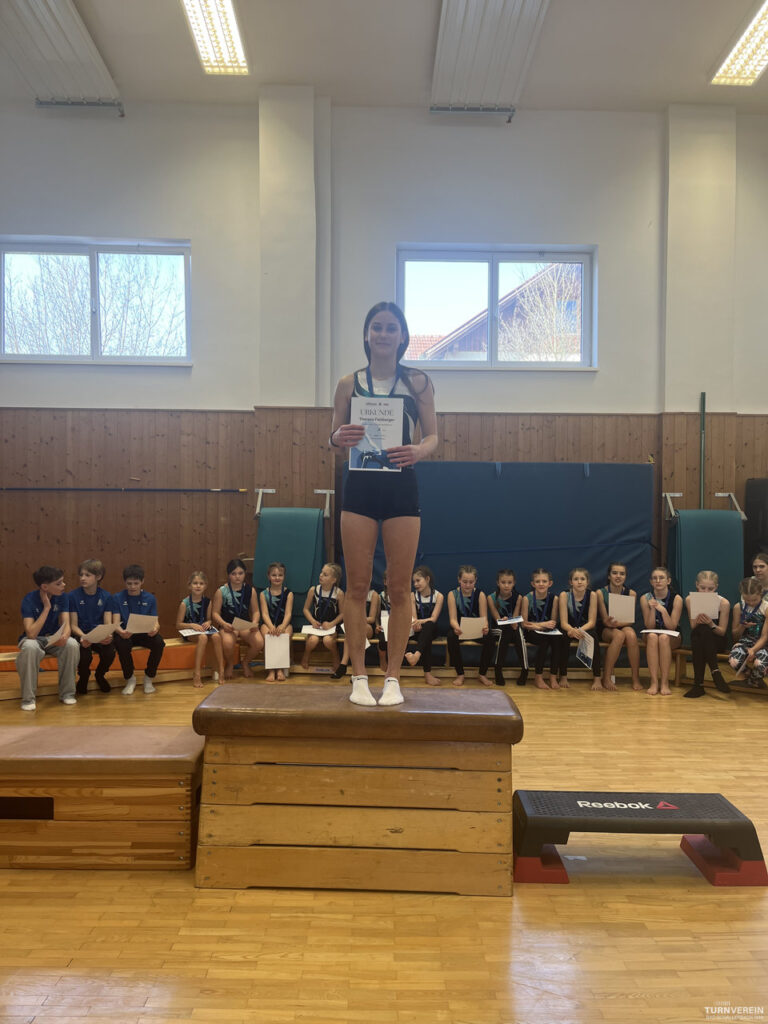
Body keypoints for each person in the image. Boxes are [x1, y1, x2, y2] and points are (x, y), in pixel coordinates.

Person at [329, 301, 437, 707]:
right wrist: (337, 438)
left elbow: (433, 436)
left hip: (400, 488)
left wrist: (418, 450)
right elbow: (333, 438)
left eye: (392, 328)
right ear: (366, 334)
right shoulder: (348, 383)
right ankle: (359, 676)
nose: (384, 334)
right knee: (357, 585)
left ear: (403, 336)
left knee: (398, 586)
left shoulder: (418, 382)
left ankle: (393, 677)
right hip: (360, 487)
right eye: (377, 327)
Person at [17, 565, 79, 711]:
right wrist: (46, 608)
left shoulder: (63, 597)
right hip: (34, 640)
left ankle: (67, 694)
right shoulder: (29, 599)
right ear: (45, 587)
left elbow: (66, 624)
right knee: (30, 647)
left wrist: (64, 636)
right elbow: (31, 634)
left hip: (53, 639)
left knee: (72, 644)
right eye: (59, 583)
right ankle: (28, 699)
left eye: (62, 581)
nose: (63, 585)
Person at [113, 564, 166, 695]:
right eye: (129, 583)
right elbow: (115, 622)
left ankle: (149, 677)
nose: (132, 587)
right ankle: (130, 678)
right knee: (121, 644)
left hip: (144, 633)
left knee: (159, 643)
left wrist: (155, 629)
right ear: (124, 582)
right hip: (125, 633)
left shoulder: (150, 598)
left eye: (136, 583)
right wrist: (120, 632)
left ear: (142, 581)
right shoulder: (117, 598)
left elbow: (155, 621)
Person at [68, 558, 116, 695]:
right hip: (81, 634)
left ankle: (100, 675)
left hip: (98, 634)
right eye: (81, 575)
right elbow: (73, 625)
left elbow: (108, 623)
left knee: (110, 652)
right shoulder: (72, 596)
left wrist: (108, 635)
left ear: (98, 577)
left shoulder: (106, 596)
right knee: (84, 656)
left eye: (87, 575)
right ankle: (83, 678)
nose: (82, 578)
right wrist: (84, 637)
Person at [211, 558, 263, 679]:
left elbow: (256, 611)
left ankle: (245, 662)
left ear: (245, 573)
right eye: (233, 574)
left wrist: (254, 623)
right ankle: (230, 664)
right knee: (228, 643)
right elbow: (215, 613)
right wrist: (224, 624)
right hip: (228, 625)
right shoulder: (221, 591)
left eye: (240, 573)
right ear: (228, 575)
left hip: (244, 624)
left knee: (259, 642)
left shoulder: (250, 591)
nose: (237, 577)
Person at [683, 570, 731, 698]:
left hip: (717, 640)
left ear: (716, 587)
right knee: (700, 632)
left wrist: (711, 623)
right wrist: (700, 620)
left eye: (710, 589)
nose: (706, 592)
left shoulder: (723, 603)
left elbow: (722, 632)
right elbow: (693, 626)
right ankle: (715, 672)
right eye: (702, 588)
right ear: (696, 585)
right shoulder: (690, 599)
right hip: (700, 639)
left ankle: (698, 685)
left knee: (703, 632)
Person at [446, 565, 494, 688]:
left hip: (476, 630)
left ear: (475, 581)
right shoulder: (452, 594)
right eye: (465, 582)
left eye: (471, 582)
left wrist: (485, 627)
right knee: (451, 637)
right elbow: (452, 619)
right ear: (459, 580)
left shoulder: (480, 594)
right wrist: (456, 628)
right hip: (460, 630)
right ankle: (460, 674)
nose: (468, 585)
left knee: (490, 637)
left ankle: (482, 674)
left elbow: (484, 618)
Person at [596, 561, 641, 691]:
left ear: (625, 576)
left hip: (622, 624)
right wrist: (610, 623)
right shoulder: (600, 593)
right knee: (619, 635)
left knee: (631, 635)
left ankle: (635, 678)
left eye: (622, 574)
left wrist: (619, 623)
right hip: (606, 628)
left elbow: (630, 621)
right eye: (615, 573)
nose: (618, 576)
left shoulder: (631, 593)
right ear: (609, 576)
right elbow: (604, 619)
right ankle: (606, 677)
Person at [175, 570, 224, 688]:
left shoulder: (207, 602)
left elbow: (209, 619)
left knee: (217, 637)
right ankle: (197, 673)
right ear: (189, 585)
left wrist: (208, 622)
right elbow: (178, 624)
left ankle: (221, 669)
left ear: (205, 586)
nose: (198, 586)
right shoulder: (185, 603)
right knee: (203, 638)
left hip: (203, 629)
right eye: (195, 583)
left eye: (201, 583)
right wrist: (192, 625)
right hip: (190, 631)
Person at [639, 566, 683, 696]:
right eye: (655, 578)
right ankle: (654, 681)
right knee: (652, 636)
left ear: (668, 581)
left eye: (661, 578)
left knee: (663, 638)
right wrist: (653, 609)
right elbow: (649, 626)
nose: (658, 581)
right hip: (652, 633)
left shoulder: (677, 598)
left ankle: (664, 682)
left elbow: (672, 627)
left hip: (671, 634)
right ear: (651, 582)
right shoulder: (645, 598)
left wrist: (662, 610)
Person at [558, 567, 602, 690]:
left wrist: (580, 630)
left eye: (582, 579)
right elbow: (563, 622)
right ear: (571, 582)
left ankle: (597, 677)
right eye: (576, 579)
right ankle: (563, 675)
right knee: (562, 638)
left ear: (587, 582)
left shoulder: (592, 595)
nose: (579, 582)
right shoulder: (564, 595)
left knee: (594, 637)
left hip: (585, 628)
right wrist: (571, 630)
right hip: (569, 628)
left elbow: (592, 621)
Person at [521, 568, 563, 690]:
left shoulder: (554, 599)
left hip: (547, 630)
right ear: (533, 584)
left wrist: (538, 625)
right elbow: (524, 624)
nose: (541, 584)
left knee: (558, 640)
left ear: (550, 583)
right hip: (531, 632)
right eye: (537, 581)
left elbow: (553, 623)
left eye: (544, 581)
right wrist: (541, 625)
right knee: (543, 641)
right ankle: (538, 676)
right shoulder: (527, 598)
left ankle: (553, 676)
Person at [486, 568, 527, 687]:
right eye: (503, 582)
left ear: (514, 583)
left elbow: (515, 618)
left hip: (511, 629)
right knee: (507, 631)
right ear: (498, 583)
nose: (506, 585)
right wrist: (503, 621)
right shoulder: (491, 598)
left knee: (517, 630)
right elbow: (496, 619)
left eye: (509, 582)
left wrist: (513, 622)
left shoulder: (518, 597)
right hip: (497, 629)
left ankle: (525, 669)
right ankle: (498, 668)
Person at [300, 563, 344, 672]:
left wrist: (331, 624)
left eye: (325, 574)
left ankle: (335, 656)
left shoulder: (338, 593)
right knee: (312, 641)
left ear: (333, 580)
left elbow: (343, 614)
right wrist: (312, 621)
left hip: (331, 627)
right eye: (321, 572)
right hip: (316, 625)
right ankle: (306, 655)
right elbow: (305, 609)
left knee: (328, 641)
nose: (321, 575)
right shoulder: (313, 590)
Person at [404, 565, 443, 687]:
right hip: (417, 628)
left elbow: (433, 618)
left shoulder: (438, 596)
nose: (415, 584)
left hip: (431, 629)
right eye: (413, 582)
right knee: (421, 636)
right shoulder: (412, 596)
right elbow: (414, 617)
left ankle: (416, 656)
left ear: (427, 579)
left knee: (429, 627)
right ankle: (427, 674)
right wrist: (416, 623)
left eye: (418, 580)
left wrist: (419, 622)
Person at [729, 576, 768, 688]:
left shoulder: (766, 608)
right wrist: (742, 626)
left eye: (754, 600)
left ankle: (753, 681)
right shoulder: (738, 607)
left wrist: (753, 650)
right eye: (747, 600)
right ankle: (752, 677)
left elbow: (765, 636)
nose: (751, 603)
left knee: (759, 662)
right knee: (734, 660)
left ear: (761, 594)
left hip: (763, 644)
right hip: (745, 642)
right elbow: (735, 635)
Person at [259, 562, 294, 682]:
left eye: (280, 575)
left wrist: (283, 626)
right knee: (267, 635)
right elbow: (264, 614)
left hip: (284, 623)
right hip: (268, 623)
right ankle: (271, 670)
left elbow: (288, 613)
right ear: (268, 576)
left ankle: (279, 669)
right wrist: (271, 626)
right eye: (274, 575)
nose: (277, 578)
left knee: (285, 635)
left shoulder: (289, 593)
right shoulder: (263, 594)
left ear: (284, 576)